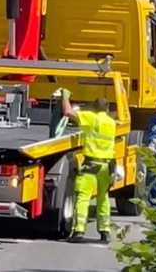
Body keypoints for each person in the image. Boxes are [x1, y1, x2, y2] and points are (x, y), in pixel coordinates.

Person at [59, 89, 116, 243]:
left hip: (90, 165)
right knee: (103, 199)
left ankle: (79, 231)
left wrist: (65, 97)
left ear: (94, 109)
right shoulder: (111, 123)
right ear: (107, 109)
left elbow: (68, 112)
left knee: (83, 198)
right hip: (105, 166)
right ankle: (105, 232)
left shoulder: (92, 118)